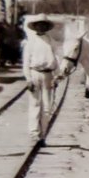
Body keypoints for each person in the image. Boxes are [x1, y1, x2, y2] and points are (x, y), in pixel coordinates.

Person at [22, 14, 60, 144]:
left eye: (44, 24)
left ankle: (43, 135)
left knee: (47, 106)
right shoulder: (30, 42)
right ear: (35, 26)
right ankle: (34, 133)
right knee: (35, 104)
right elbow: (26, 62)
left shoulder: (51, 41)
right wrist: (28, 79)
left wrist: (57, 77)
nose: (41, 26)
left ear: (46, 26)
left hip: (48, 75)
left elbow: (57, 59)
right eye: (39, 24)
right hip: (34, 73)